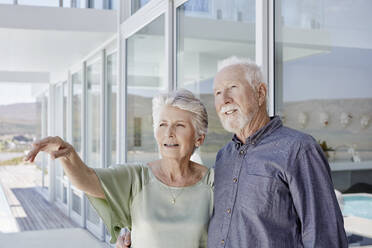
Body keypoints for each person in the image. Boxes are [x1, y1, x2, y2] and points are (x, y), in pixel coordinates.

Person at [117, 56, 348, 248]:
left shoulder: (298, 149)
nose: (224, 100)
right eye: (217, 93)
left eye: (233, 88)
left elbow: (325, 237)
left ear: (260, 93)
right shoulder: (224, 156)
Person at [25, 89, 214, 248]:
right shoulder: (136, 178)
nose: (169, 133)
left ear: (199, 138)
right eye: (163, 124)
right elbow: (87, 178)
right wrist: (68, 156)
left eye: (179, 125)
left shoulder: (215, 184)